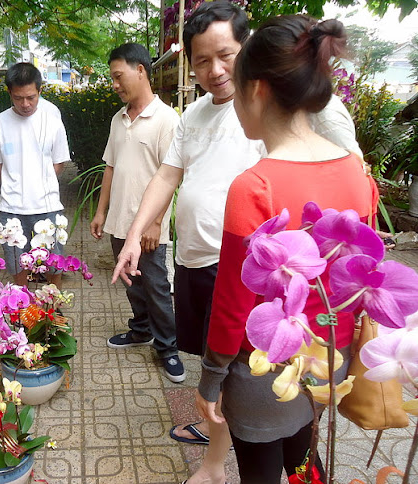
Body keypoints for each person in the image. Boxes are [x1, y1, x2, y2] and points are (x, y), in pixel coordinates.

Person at [110, 3, 364, 483]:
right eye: (201, 61)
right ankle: (215, 460)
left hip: (272, 285)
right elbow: (168, 174)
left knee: (251, 388)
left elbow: (346, 176)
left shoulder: (288, 118)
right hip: (206, 264)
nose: (215, 70)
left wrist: (212, 375)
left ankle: (233, 449)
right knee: (266, 400)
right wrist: (135, 233)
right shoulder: (196, 115)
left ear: (251, 63)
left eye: (225, 55)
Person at [192, 15, 377, 483]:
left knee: (260, 473)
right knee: (303, 457)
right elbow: (363, 274)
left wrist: (211, 378)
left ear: (255, 89)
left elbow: (233, 303)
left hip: (263, 368)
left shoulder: (254, 187)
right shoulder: (356, 171)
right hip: (329, 360)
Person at [89, 43, 184, 383]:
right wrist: (101, 212)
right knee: (133, 284)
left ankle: (168, 347)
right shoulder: (119, 120)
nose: (114, 84)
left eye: (118, 76)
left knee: (157, 286)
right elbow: (110, 168)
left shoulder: (167, 120)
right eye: (112, 78)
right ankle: (141, 329)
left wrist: (157, 222)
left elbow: (172, 175)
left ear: (141, 70)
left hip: (147, 229)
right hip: (119, 223)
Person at [0, 62, 71, 287]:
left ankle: (53, 310)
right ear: (9, 93)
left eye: (31, 97)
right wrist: (15, 188)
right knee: (15, 264)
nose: (25, 104)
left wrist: (41, 185)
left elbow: (58, 163)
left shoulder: (52, 123)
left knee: (53, 264)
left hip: (48, 206)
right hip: (11, 208)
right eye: (18, 98)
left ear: (40, 91)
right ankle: (20, 310)